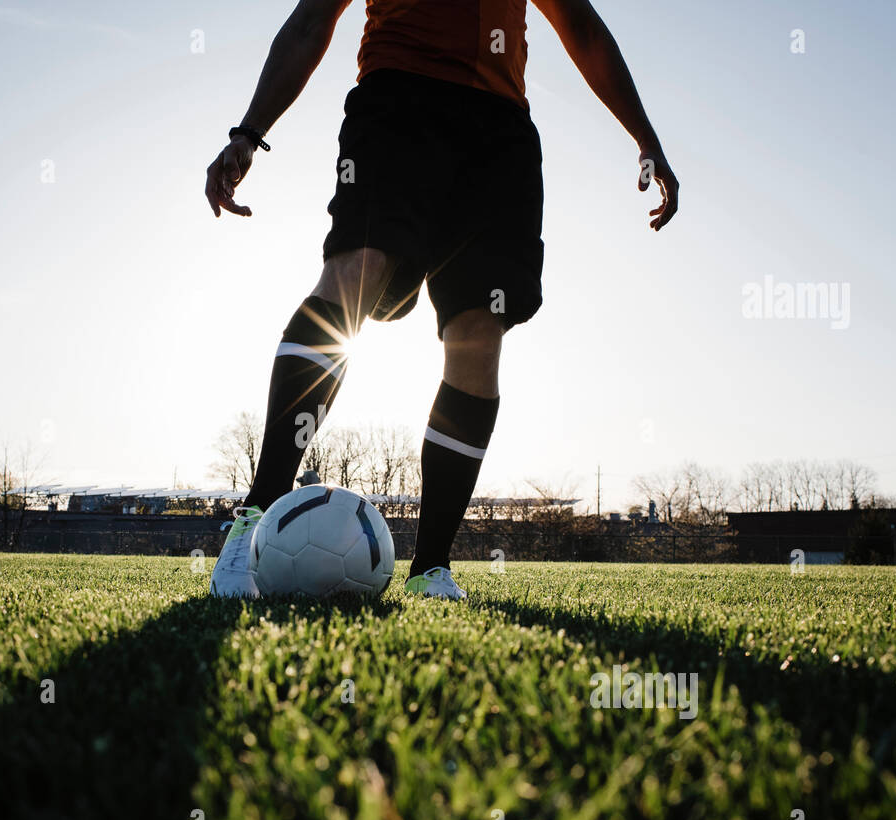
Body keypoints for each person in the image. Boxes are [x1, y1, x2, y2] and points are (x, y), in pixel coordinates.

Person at [205, 0, 678, 598]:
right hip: (397, 101)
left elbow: (581, 26)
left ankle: (431, 566)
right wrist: (249, 132)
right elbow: (311, 19)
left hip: (498, 133)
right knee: (356, 276)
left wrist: (646, 138)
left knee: (479, 332)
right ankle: (254, 518)